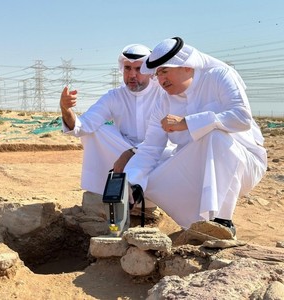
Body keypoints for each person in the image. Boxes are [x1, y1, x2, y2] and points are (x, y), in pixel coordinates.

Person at [124, 37, 267, 237]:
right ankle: (197, 226)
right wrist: (133, 180)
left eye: (165, 71)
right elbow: (150, 148)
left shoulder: (218, 77)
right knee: (151, 179)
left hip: (242, 163)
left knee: (215, 136)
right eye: (157, 74)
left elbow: (242, 118)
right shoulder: (164, 102)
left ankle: (222, 222)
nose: (161, 80)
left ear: (187, 67)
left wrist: (187, 122)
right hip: (197, 167)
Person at [60, 44, 167, 207]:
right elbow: (82, 126)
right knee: (96, 130)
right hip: (122, 151)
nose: (132, 75)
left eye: (138, 69)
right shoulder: (114, 96)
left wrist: (135, 152)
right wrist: (65, 109)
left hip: (157, 153)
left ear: (150, 71)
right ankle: (108, 192)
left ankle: (150, 197)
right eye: (127, 68)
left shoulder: (164, 93)